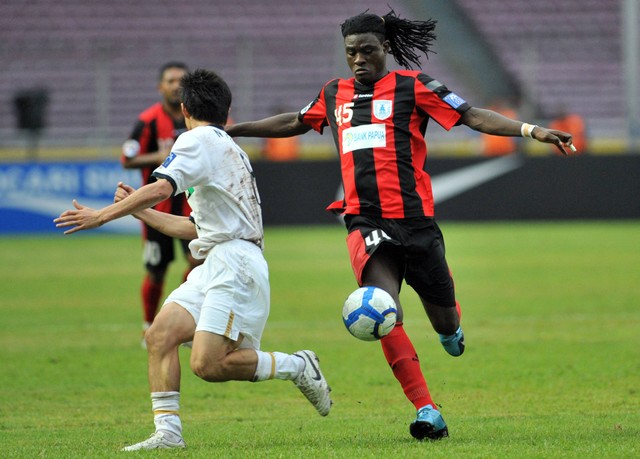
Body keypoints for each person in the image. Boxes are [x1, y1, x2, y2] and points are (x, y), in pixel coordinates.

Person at [225, 10, 575, 441]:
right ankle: (427, 410)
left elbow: (471, 116)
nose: (358, 59)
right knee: (379, 307)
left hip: (418, 223)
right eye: (351, 52)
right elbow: (296, 122)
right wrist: (234, 130)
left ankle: (452, 329)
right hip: (365, 222)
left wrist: (531, 129)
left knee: (445, 323)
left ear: (385, 48)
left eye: (367, 50)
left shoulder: (415, 86)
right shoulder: (334, 93)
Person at [55, 69, 332, 450]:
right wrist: (138, 212)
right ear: (226, 110)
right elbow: (195, 228)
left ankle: (298, 366)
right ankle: (168, 434)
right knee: (160, 335)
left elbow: (161, 187)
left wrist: (102, 215)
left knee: (208, 365)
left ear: (184, 109)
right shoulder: (224, 146)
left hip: (235, 264)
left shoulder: (196, 140)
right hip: (218, 258)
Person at [121, 61, 203, 337]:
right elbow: (128, 158)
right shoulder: (148, 121)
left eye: (181, 80)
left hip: (190, 211)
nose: (175, 85)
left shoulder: (197, 118)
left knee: (197, 265)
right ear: (160, 86)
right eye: (170, 80)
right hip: (156, 211)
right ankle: (148, 325)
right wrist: (159, 157)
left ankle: (180, 318)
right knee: (156, 272)